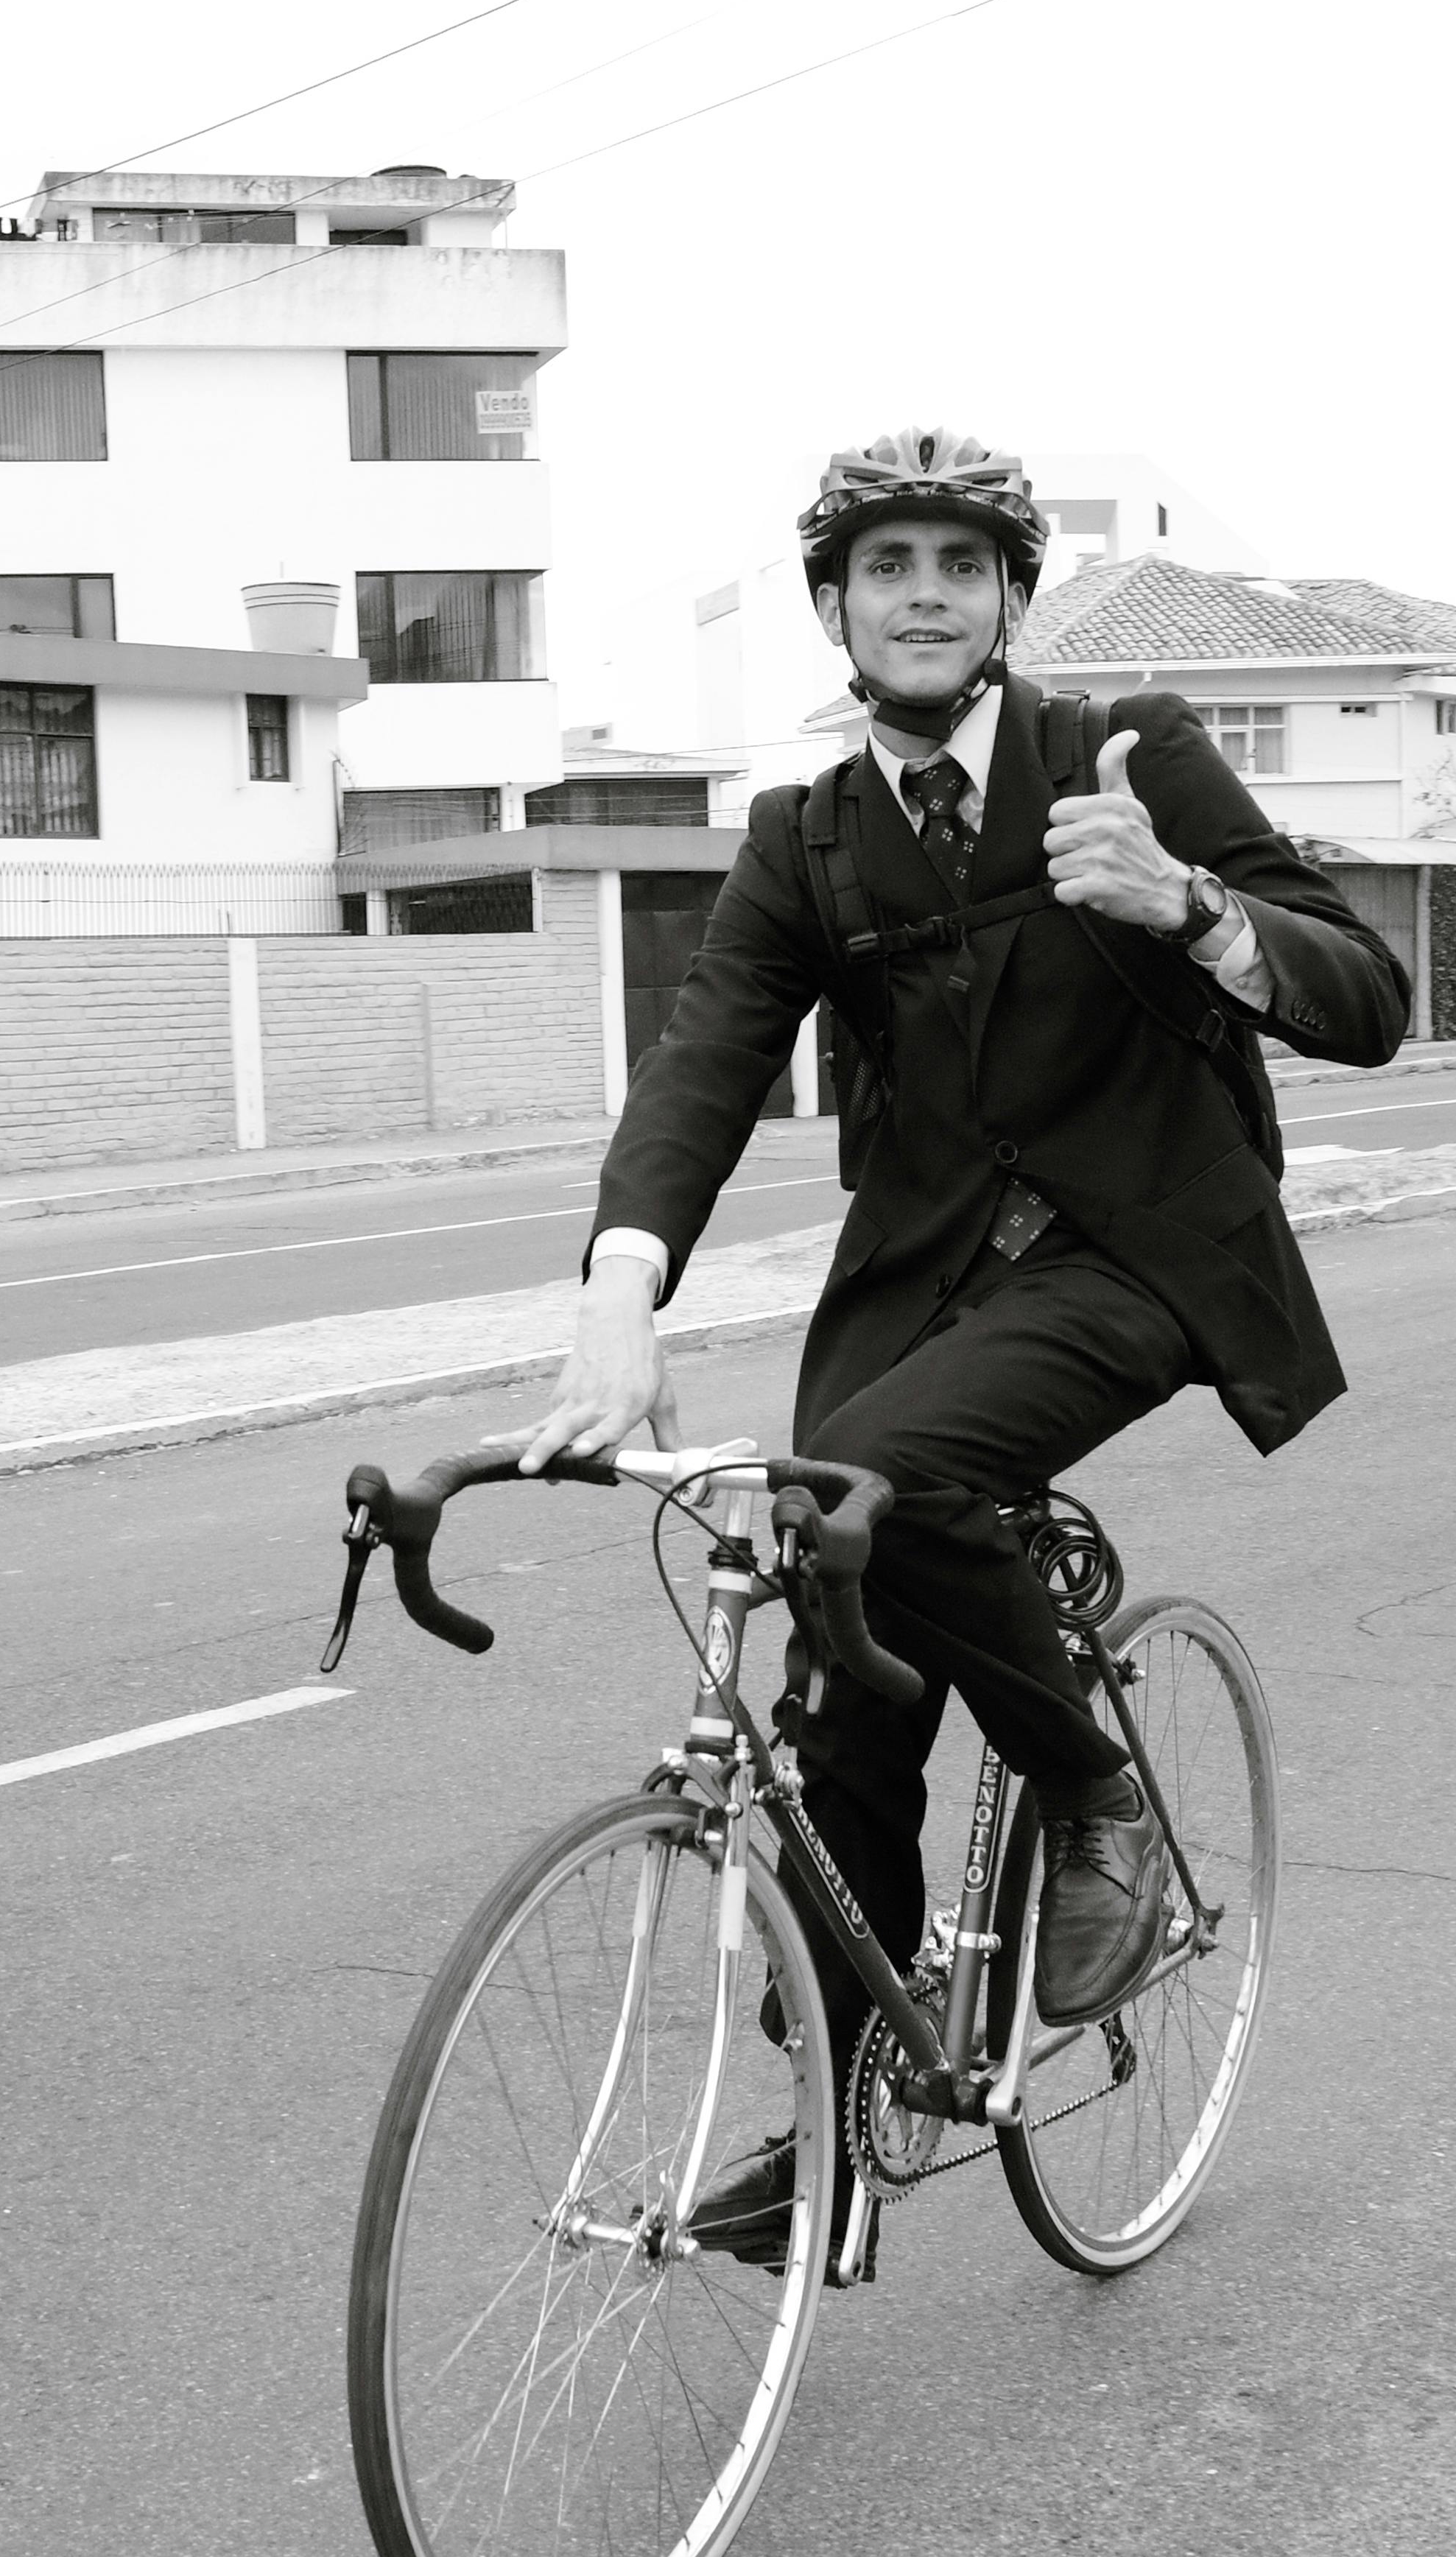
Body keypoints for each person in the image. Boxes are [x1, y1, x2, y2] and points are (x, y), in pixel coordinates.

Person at [498, 426, 1409, 2265]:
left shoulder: (1128, 754)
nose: (924, 595)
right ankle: (837, 2139)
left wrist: (1192, 906)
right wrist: (616, 1289)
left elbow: (1367, 996)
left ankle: (1096, 1792)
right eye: (887, 566)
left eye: (961, 564)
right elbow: (707, 1057)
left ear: (1009, 599)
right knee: (843, 1687)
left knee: (891, 1485)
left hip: (1135, 1252)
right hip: (917, 1287)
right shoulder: (808, 835)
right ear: (835, 608)